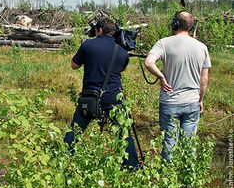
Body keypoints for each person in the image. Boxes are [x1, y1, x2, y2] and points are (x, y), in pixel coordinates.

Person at [64, 17, 140, 169]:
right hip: (113, 97)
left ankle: (64, 157)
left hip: (89, 97)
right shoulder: (121, 51)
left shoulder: (88, 45)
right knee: (123, 132)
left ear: (99, 30)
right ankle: (132, 166)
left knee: (75, 129)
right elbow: (122, 68)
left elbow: (74, 65)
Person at [144, 11, 211, 160]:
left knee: (169, 142)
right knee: (189, 144)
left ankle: (167, 179)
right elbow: (204, 80)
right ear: (191, 26)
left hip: (170, 102)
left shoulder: (163, 42)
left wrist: (161, 76)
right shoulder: (202, 47)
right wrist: (200, 100)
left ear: (174, 24)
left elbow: (149, 63)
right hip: (192, 102)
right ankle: (188, 181)